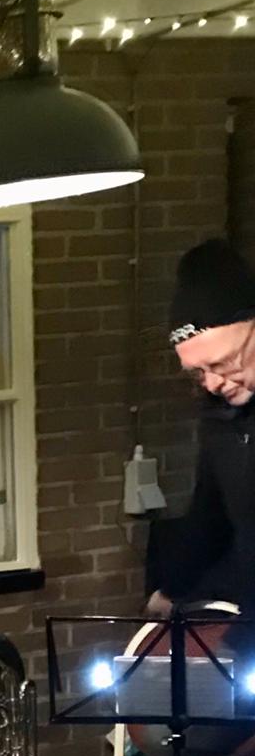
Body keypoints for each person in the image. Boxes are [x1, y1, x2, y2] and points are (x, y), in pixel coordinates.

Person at [146, 239, 255, 620]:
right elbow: (210, 515)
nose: (212, 383)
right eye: (198, 373)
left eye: (223, 363)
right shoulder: (221, 418)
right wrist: (172, 589)